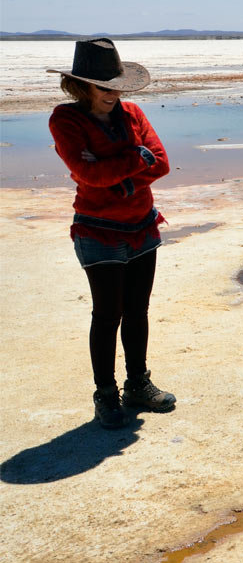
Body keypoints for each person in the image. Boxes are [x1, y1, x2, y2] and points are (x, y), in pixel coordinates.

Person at [47, 38, 176, 429]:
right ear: (82, 86)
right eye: (105, 87)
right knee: (107, 315)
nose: (113, 95)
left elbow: (163, 164)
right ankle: (106, 394)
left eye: (117, 86)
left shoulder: (133, 113)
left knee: (137, 312)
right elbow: (87, 175)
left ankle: (138, 383)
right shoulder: (65, 120)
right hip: (98, 231)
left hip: (142, 225)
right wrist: (136, 158)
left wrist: (116, 176)